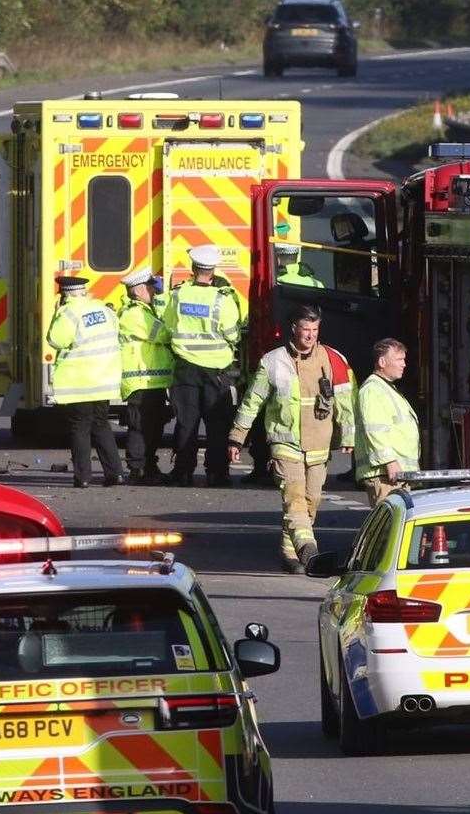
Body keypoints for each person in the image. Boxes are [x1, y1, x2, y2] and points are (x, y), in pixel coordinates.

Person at [228, 304, 355, 573]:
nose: (310, 335)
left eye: (315, 330)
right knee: (294, 498)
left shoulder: (334, 360)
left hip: (319, 447)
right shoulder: (273, 361)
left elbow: (345, 401)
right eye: (305, 329)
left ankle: (290, 550)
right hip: (285, 444)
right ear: (294, 329)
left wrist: (349, 435)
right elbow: (253, 402)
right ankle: (308, 549)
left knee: (311, 502)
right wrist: (236, 438)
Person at [163, 244, 244, 487]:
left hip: (185, 367)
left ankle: (183, 471)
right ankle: (217, 473)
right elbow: (232, 334)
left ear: (193, 268)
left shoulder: (178, 295)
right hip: (216, 371)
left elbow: (168, 326)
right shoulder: (223, 299)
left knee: (187, 421)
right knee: (217, 425)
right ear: (212, 270)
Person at [46, 275, 124, 488]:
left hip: (79, 381)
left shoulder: (69, 312)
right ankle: (115, 473)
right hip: (104, 379)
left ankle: (83, 477)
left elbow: (55, 340)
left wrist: (56, 315)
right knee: (101, 425)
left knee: (80, 428)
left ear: (65, 294)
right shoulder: (103, 309)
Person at [118, 266, 173, 485]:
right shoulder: (134, 314)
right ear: (139, 290)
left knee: (152, 427)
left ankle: (148, 465)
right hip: (140, 381)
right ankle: (138, 468)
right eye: (150, 288)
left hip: (152, 380)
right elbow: (162, 334)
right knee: (140, 427)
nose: (153, 291)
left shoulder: (144, 311)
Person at [355, 338, 420, 507]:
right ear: (382, 362)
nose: (404, 364)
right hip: (385, 475)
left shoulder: (386, 388)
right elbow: (375, 430)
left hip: (395, 474)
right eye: (399, 359)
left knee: (395, 530)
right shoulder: (372, 390)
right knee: (387, 530)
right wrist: (390, 462)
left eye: (404, 359)